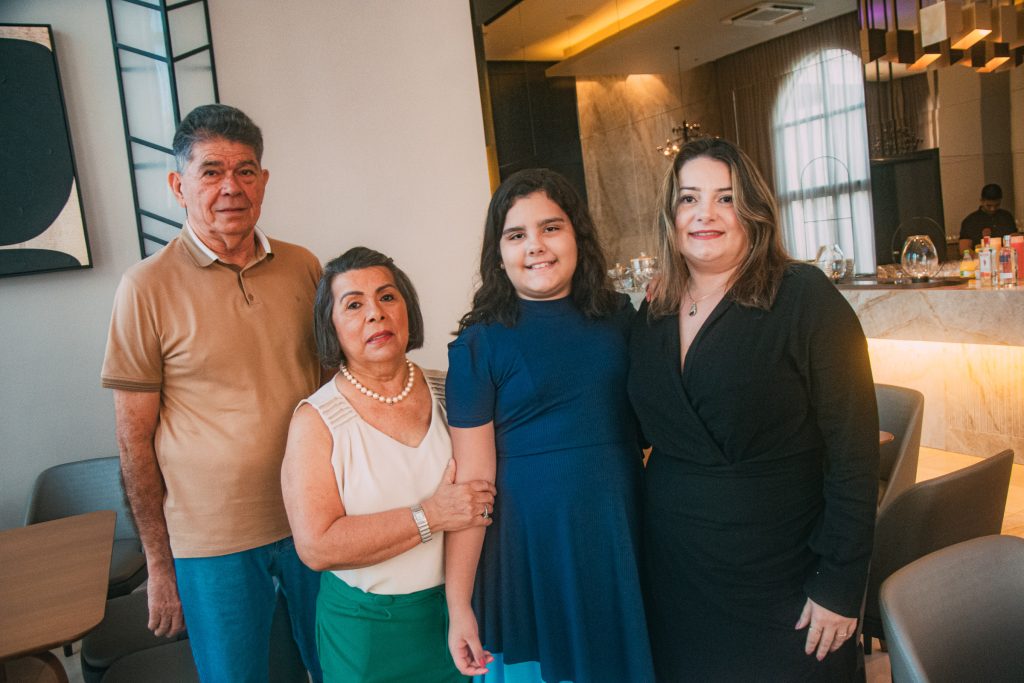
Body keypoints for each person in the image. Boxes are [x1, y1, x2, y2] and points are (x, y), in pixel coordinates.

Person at [629, 138, 878, 681]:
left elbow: (855, 452)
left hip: (783, 574)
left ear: (754, 211)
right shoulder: (653, 308)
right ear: (671, 215)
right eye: (690, 198)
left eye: (725, 198)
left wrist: (841, 582)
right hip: (676, 574)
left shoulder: (804, 297)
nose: (705, 214)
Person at [101, 104, 323, 682]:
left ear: (264, 182)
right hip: (211, 541)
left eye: (246, 171)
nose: (231, 187)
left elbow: (334, 390)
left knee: (335, 667)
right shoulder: (144, 287)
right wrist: (160, 565)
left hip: (315, 520)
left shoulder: (304, 267)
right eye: (211, 171)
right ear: (179, 185)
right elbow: (134, 443)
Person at [445, 168, 654, 682]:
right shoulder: (480, 345)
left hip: (619, 540)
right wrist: (458, 604)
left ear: (578, 236)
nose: (535, 246)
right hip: (527, 556)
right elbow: (472, 486)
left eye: (551, 228)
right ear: (499, 254)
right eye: (516, 235)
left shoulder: (623, 321)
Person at [281, 247, 495, 682]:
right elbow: (316, 546)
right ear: (331, 327)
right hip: (365, 633)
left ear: (407, 309)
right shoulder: (316, 419)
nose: (375, 314)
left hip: (460, 613)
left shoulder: (451, 389)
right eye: (354, 304)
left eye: (387, 297)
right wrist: (433, 515)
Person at [959, 183, 1017, 252]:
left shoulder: (1007, 217)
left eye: (997, 205)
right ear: (981, 201)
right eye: (989, 205)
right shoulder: (970, 221)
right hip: (980, 260)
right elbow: (964, 249)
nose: (992, 209)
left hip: (1005, 258)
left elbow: (1015, 240)